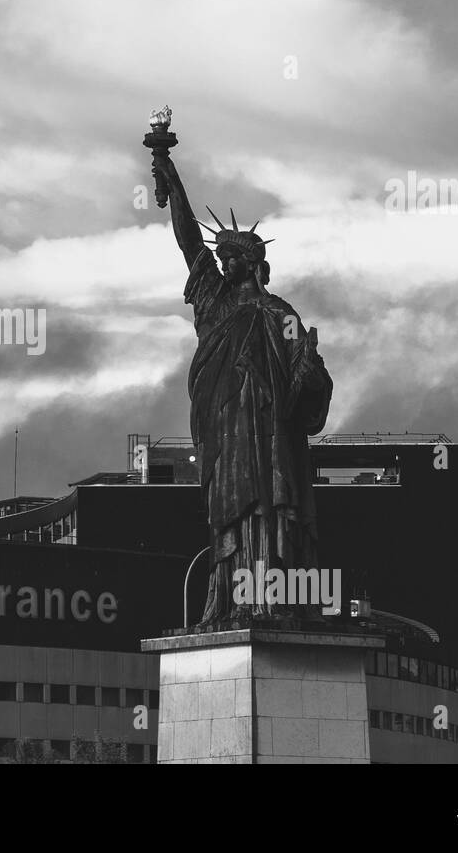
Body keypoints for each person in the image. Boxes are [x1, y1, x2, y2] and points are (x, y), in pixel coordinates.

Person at [151, 154, 333, 627]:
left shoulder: (280, 314)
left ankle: (271, 597)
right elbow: (190, 242)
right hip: (227, 439)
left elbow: (313, 377)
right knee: (230, 517)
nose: (223, 265)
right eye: (223, 259)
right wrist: (172, 179)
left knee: (271, 510)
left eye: (232, 259)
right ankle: (234, 597)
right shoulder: (214, 303)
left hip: (272, 439)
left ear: (254, 265)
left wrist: (310, 376)